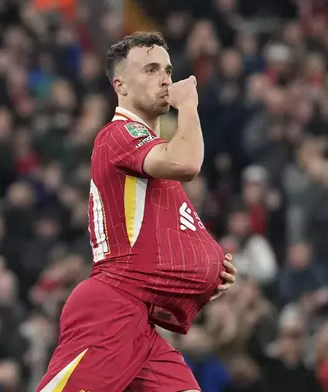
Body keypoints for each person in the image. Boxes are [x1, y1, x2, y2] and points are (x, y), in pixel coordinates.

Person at [35, 31, 238, 392]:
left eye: (168, 69)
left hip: (140, 321)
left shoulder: (153, 163)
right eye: (149, 69)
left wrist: (204, 271)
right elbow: (188, 162)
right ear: (121, 85)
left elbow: (160, 238)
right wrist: (188, 105)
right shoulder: (119, 134)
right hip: (110, 308)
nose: (164, 78)